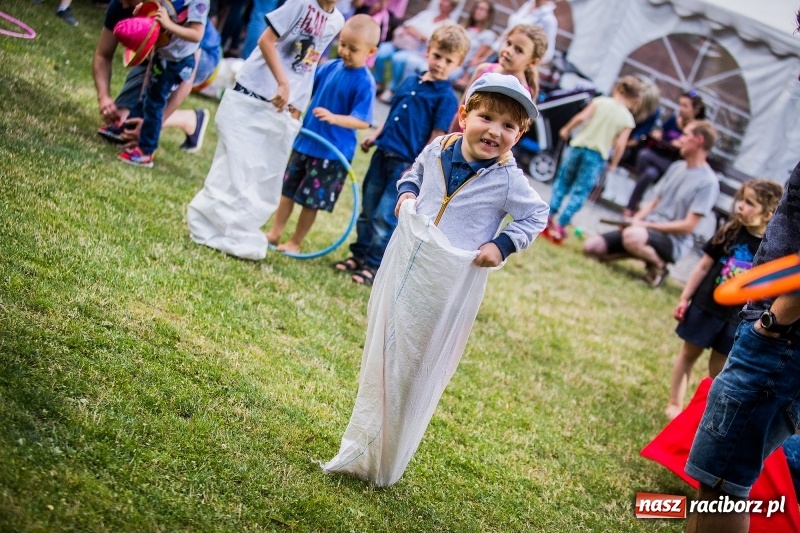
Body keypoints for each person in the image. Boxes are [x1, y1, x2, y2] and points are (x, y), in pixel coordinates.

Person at [322, 72, 548, 486]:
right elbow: (415, 173)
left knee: (413, 366)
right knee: (385, 353)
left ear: (521, 133)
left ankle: (386, 454)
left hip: (445, 289)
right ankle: (362, 438)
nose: (494, 131)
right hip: (406, 267)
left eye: (509, 126)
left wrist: (502, 243)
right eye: (486, 117)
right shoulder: (439, 147)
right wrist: (407, 192)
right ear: (464, 115)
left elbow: (537, 215)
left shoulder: (509, 180)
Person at [684, 163, 800, 533]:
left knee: (723, 485)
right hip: (781, 338)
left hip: (781, 341)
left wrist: (773, 324)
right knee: (715, 483)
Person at [187, 0, 345, 260]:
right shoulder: (300, 4)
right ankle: (210, 226)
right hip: (255, 94)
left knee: (262, 177)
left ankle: (236, 233)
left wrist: (297, 104)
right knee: (236, 171)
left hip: (283, 109)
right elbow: (266, 41)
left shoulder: (336, 20)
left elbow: (307, 64)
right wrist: (282, 83)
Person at [332, 24, 470, 285]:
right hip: (382, 153)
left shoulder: (446, 98)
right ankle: (358, 255)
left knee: (385, 215)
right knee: (368, 209)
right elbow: (393, 115)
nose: (440, 63)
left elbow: (437, 138)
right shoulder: (409, 81)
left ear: (458, 64)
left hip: (405, 164)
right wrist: (376, 136)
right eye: (437, 55)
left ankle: (373, 266)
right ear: (428, 52)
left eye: (448, 60)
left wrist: (418, 167)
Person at [664, 179, 783, 420]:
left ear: (768, 214)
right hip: (705, 307)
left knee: (718, 370)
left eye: (750, 203)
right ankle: (675, 404)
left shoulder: (771, 249)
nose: (740, 206)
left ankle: (704, 415)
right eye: (742, 199)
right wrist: (685, 298)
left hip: (735, 318)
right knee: (688, 354)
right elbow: (703, 266)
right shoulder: (730, 231)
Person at [264, 15, 380, 253]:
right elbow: (306, 88)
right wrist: (295, 105)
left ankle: (295, 242)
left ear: (370, 51)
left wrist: (335, 118)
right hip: (306, 142)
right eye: (343, 44)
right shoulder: (329, 67)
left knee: (310, 201)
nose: (345, 51)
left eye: (353, 49)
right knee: (287, 191)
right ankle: (275, 233)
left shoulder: (365, 83)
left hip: (331, 154)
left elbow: (363, 121)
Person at [583, 120, 719, 287]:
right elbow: (653, 202)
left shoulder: (708, 182)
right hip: (644, 230)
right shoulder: (677, 167)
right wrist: (634, 221)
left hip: (672, 241)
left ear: (699, 140)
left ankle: (660, 267)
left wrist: (644, 226)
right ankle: (640, 252)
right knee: (591, 247)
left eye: (685, 135)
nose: (679, 140)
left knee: (633, 237)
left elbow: (689, 226)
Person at [94, 0, 220, 155]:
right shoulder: (121, 4)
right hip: (161, 54)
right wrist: (103, 97)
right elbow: (103, 55)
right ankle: (185, 119)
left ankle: (153, 143)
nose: (124, 5)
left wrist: (151, 127)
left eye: (127, 1)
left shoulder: (184, 9)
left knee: (154, 102)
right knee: (125, 115)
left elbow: (186, 81)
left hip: (198, 57)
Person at [544, 75, 641, 243]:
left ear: (617, 88)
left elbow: (581, 117)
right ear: (634, 99)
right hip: (596, 156)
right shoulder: (627, 118)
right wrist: (614, 164)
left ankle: (548, 217)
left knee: (563, 181)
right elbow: (620, 145)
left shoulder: (600, 101)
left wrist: (567, 129)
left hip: (578, 147)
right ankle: (561, 226)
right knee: (580, 191)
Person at [116, 0, 208, 167]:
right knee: (146, 98)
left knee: (154, 104)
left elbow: (197, 34)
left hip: (177, 62)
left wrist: (168, 25)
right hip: (162, 55)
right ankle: (128, 132)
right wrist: (143, 10)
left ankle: (146, 151)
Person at [450, 23, 548, 133]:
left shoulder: (522, 95)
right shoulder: (483, 70)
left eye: (519, 50)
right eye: (508, 43)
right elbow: (460, 110)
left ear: (533, 62)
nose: (509, 51)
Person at [623, 91, 706, 217]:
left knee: (645, 155)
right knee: (649, 173)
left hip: (676, 164)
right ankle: (633, 207)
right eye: (680, 105)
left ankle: (632, 208)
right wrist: (659, 136)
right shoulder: (674, 119)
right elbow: (662, 133)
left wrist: (681, 145)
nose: (681, 109)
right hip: (659, 157)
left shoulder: (698, 128)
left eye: (685, 106)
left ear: (696, 110)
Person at [373, 0, 458, 103]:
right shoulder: (427, 14)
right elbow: (408, 25)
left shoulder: (449, 25)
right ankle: (379, 82)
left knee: (398, 59)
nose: (441, 2)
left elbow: (434, 42)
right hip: (400, 42)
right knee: (381, 52)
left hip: (415, 50)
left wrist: (417, 34)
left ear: (452, 6)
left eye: (446, 1)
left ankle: (392, 89)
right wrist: (419, 35)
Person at [469, 0, 557, 68]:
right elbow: (508, 33)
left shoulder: (549, 20)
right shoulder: (527, 6)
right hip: (500, 55)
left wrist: (524, 63)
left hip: (515, 64)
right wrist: (485, 56)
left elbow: (547, 54)